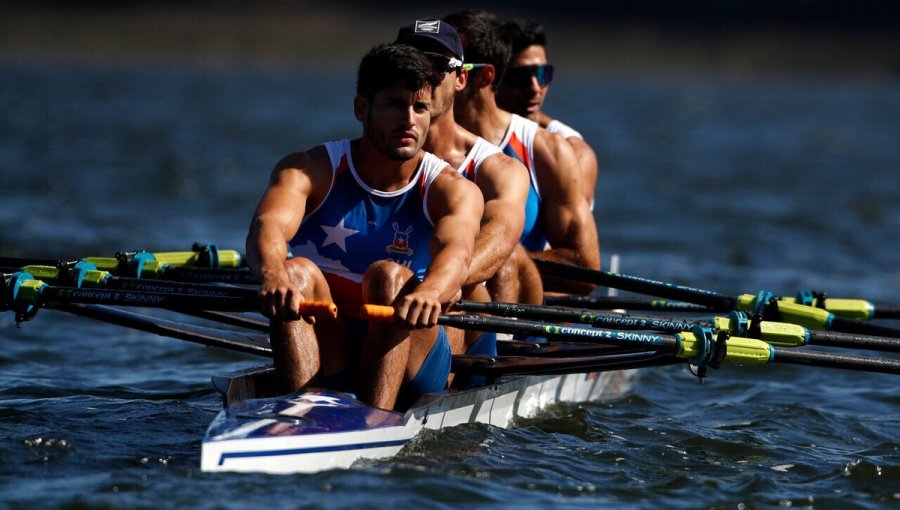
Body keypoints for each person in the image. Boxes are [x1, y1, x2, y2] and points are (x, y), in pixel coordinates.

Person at [245, 44, 484, 411]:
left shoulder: (452, 189)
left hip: (411, 354)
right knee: (296, 272)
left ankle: (375, 420)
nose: (409, 119)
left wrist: (431, 292)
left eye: (420, 107)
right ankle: (298, 415)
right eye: (394, 104)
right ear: (362, 108)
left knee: (388, 277)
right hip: (333, 345)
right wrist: (273, 275)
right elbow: (268, 226)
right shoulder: (310, 169)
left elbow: (459, 252)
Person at [394, 19, 533, 364]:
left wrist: (435, 282)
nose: (422, 77)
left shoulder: (499, 170)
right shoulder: (370, 156)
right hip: (388, 294)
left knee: (505, 259)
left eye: (437, 65)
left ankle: (491, 356)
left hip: (456, 307)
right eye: (411, 62)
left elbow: (500, 237)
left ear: (461, 79)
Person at [443, 10, 600, 295]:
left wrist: (491, 258)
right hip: (448, 300)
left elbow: (585, 270)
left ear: (485, 75)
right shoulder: (416, 140)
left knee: (507, 259)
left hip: (519, 307)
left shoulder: (550, 151)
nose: (534, 88)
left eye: (443, 67)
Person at [497, 18, 600, 210]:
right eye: (521, 76)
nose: (535, 88)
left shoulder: (575, 154)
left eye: (543, 73)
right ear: (493, 77)